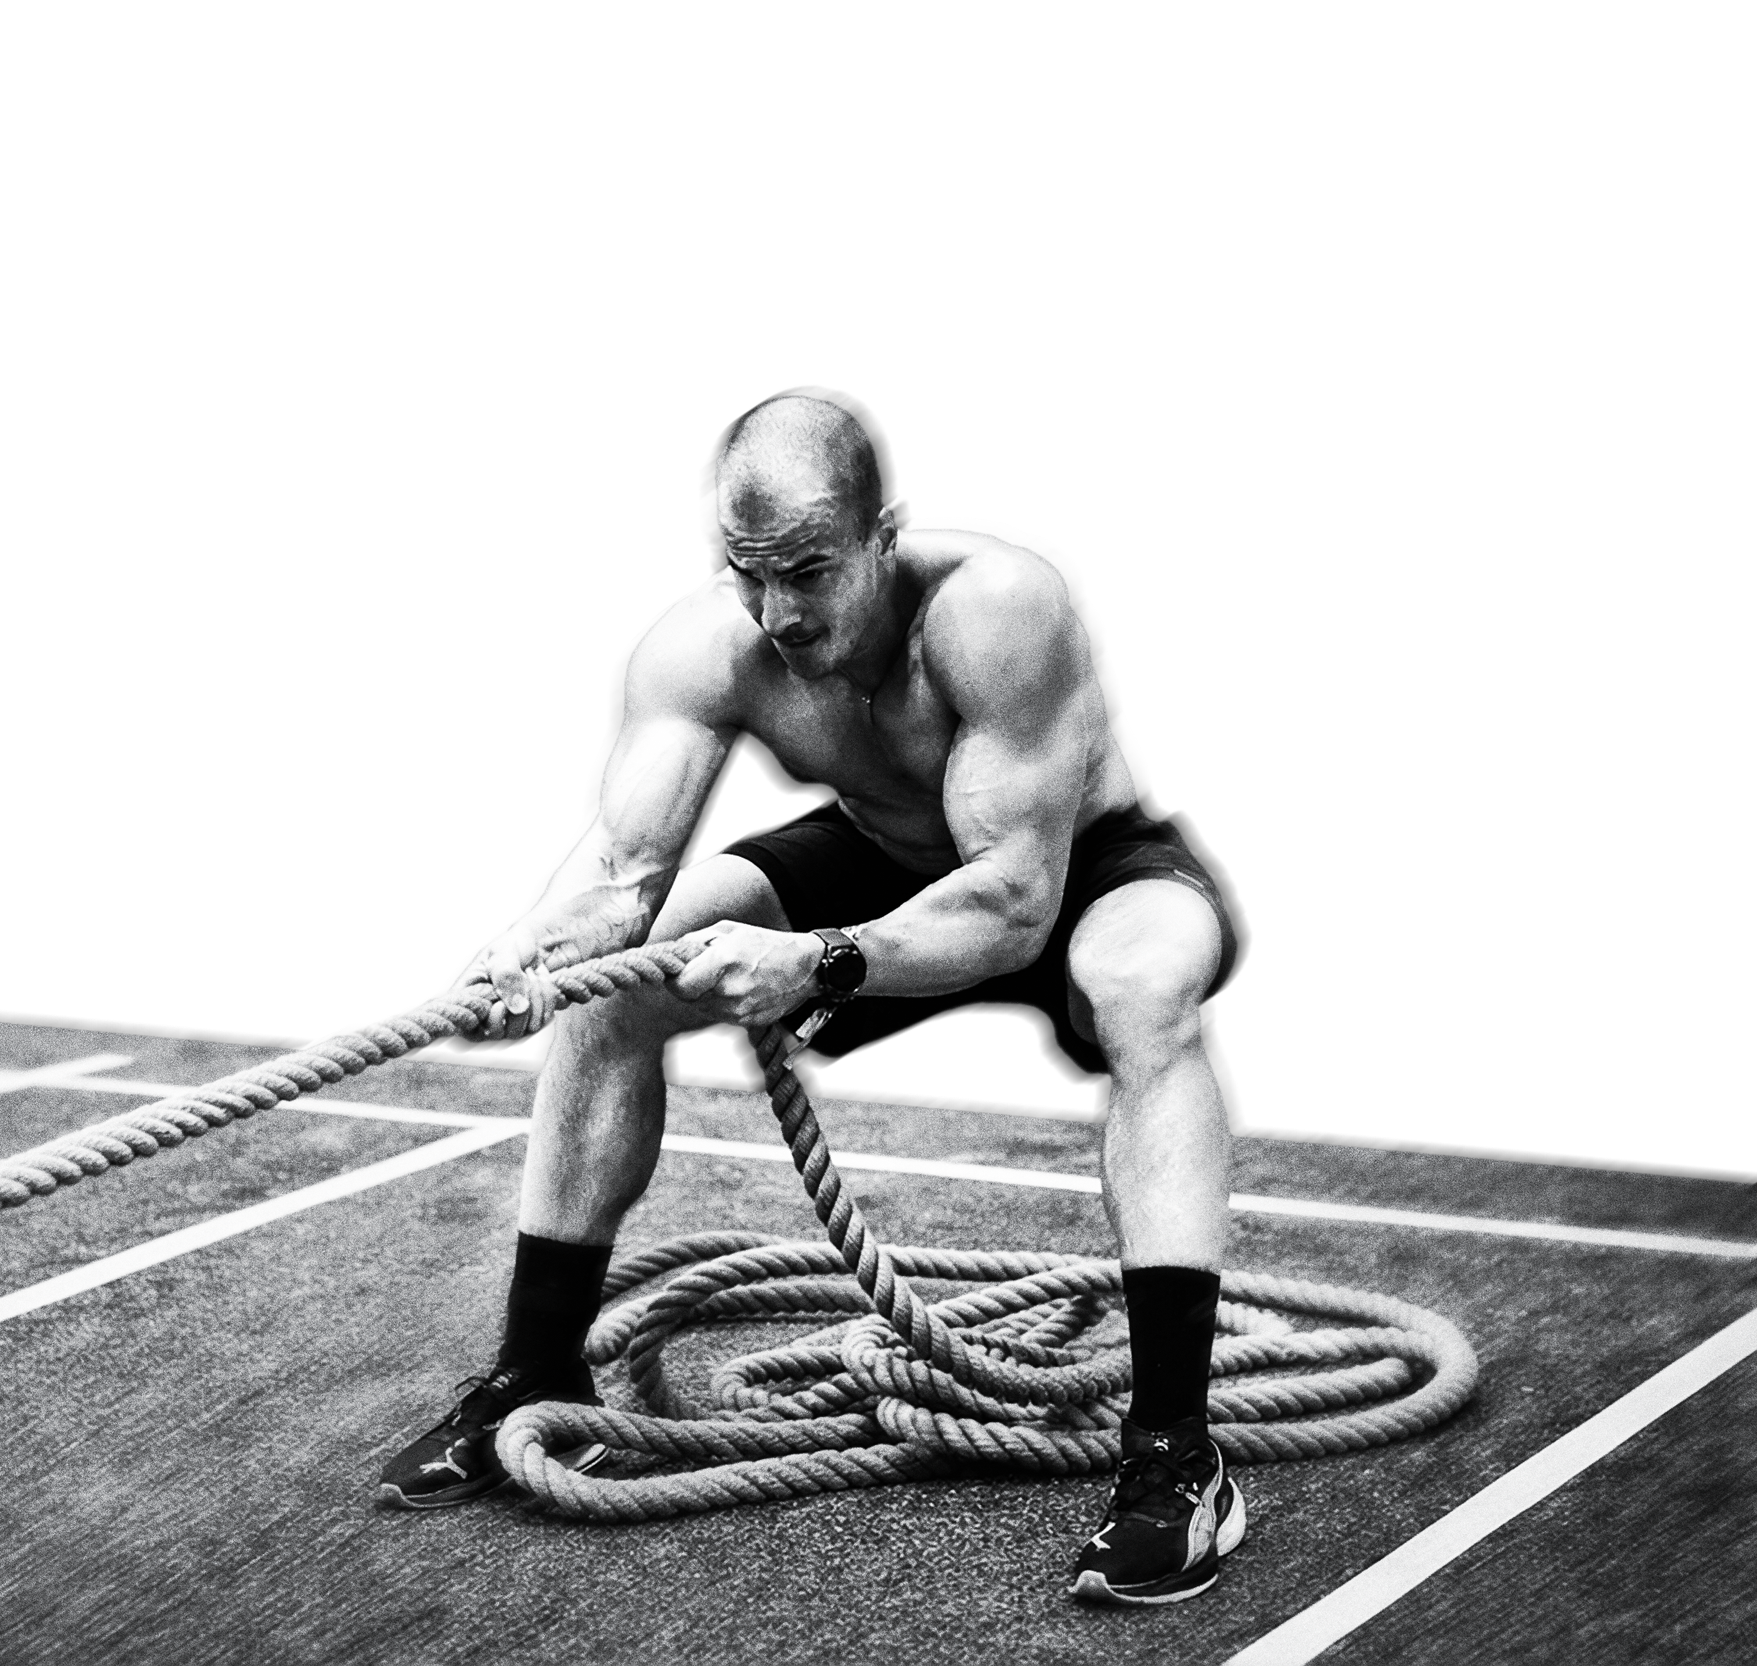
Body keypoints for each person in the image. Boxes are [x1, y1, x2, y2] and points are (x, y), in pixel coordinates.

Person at [374, 385, 1254, 1608]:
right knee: (614, 981)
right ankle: (534, 1378)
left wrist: (818, 961)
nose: (779, 612)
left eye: (807, 569)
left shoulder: (1000, 606)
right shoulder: (698, 652)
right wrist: (518, 950)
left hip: (1077, 858)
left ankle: (1175, 1457)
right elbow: (619, 871)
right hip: (879, 849)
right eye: (746, 574)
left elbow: (1013, 900)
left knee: (1144, 984)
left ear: (886, 528)